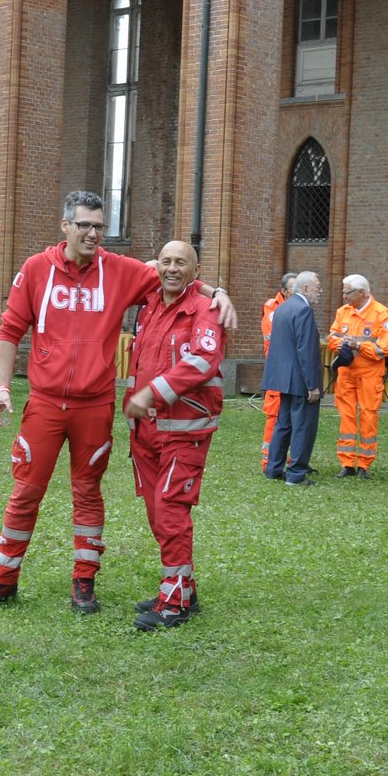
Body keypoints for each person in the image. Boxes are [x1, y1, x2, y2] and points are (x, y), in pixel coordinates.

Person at [0, 189, 236, 612]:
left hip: (95, 404)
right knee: (26, 491)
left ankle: (84, 582)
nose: (92, 233)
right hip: (46, 404)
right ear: (65, 225)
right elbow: (10, 329)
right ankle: (2, 579)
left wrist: (219, 293)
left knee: (88, 492)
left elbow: (176, 277)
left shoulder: (119, 270)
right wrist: (1, 388)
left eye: (99, 226)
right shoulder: (35, 269)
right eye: (84, 224)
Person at [123, 241, 227, 631]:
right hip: (145, 429)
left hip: (184, 430)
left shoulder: (206, 309)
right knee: (156, 510)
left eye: (180, 262)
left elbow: (202, 361)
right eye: (165, 261)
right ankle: (183, 584)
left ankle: (176, 601)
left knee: (170, 510)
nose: (171, 268)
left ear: (195, 271)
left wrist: (152, 392)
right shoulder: (149, 303)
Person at [263, 272, 324, 486]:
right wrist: (312, 385)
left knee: (284, 425)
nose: (321, 290)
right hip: (300, 380)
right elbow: (305, 350)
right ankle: (296, 474)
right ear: (305, 289)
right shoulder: (304, 309)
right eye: (317, 286)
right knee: (302, 427)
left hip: (283, 378)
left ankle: (273, 468)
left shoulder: (283, 307)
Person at [329, 274, 388, 477]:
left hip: (369, 375)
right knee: (346, 416)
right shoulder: (343, 312)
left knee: (368, 416)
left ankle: (364, 464)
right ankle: (346, 463)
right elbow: (332, 336)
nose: (344, 296)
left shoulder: (381, 314)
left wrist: (359, 346)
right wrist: (340, 345)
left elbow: (386, 347)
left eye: (347, 292)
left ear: (361, 293)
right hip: (346, 373)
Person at [259, 272, 295, 472]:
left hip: (288, 371)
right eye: (293, 288)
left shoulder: (293, 307)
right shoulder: (273, 309)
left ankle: (288, 460)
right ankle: (270, 462)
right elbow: (280, 339)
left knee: (290, 418)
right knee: (275, 416)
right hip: (278, 372)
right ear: (283, 291)